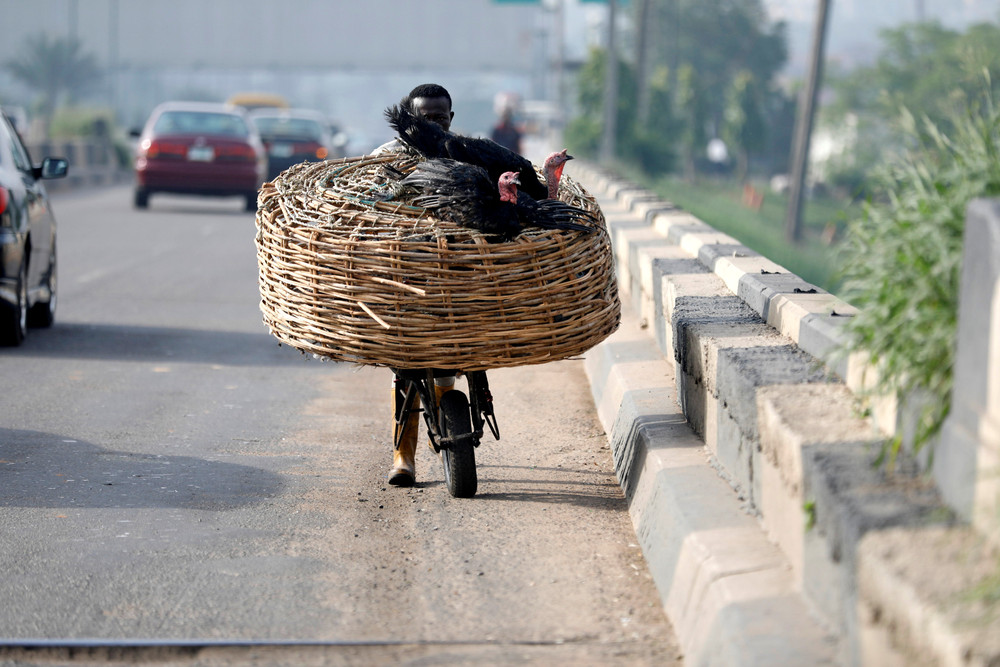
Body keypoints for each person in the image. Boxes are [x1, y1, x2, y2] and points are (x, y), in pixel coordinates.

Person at [372, 83, 458, 486]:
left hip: (456, 278)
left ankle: (448, 418)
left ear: (451, 119)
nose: (435, 125)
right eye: (426, 119)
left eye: (441, 118)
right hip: (404, 279)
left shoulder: (466, 156)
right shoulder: (382, 160)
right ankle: (402, 456)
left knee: (450, 364)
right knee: (405, 368)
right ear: (409, 119)